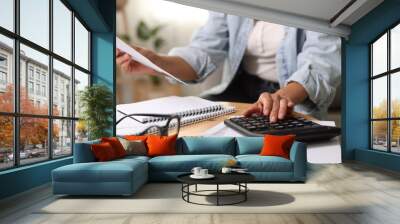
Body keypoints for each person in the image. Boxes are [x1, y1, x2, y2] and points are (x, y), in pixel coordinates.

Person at [116, 12, 341, 122]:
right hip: (242, 89)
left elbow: (321, 60)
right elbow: (203, 51)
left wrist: (281, 98)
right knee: (193, 123)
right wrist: (157, 61)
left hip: (293, 94)